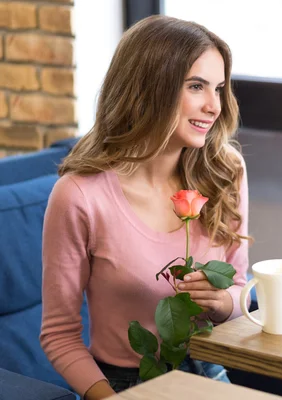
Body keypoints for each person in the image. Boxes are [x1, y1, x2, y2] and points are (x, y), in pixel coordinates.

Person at [40, 15, 250, 400]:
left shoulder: (225, 172)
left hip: (209, 371)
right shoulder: (78, 197)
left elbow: (239, 289)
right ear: (150, 88)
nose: (214, 106)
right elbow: (59, 335)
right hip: (123, 384)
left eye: (218, 88)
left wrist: (221, 302)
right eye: (196, 86)